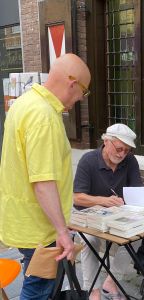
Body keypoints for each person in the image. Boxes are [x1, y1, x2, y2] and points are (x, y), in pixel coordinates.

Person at [0, 53, 91, 300]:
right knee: (39, 291)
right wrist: (62, 231)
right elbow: (43, 182)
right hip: (40, 228)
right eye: (84, 90)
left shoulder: (23, 103)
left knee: (37, 285)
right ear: (72, 83)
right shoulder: (45, 116)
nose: (82, 97)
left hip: (24, 221)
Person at [73, 123, 144, 300]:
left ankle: (111, 282)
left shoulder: (129, 161)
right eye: (119, 148)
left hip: (118, 215)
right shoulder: (88, 160)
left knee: (138, 234)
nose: (122, 154)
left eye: (127, 150)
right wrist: (103, 201)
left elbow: (137, 189)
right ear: (106, 141)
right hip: (88, 215)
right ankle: (93, 291)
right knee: (89, 240)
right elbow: (77, 197)